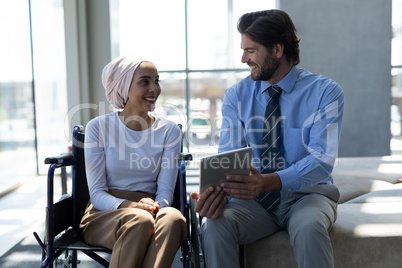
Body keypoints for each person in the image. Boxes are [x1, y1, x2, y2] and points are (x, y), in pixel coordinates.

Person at [190, 9, 344, 268]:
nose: (242, 59)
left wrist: (269, 182)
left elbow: (322, 160)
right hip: (256, 203)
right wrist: (215, 193)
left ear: (277, 50)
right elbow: (229, 157)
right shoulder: (236, 96)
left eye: (251, 51)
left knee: (309, 228)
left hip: (307, 196)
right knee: (215, 225)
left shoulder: (325, 93)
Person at [79, 55, 187, 268]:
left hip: (151, 208)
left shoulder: (169, 131)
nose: (154, 89)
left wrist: (155, 207)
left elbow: (165, 191)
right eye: (144, 82)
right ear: (123, 87)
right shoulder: (98, 127)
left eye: (157, 81)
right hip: (105, 213)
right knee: (140, 220)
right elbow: (98, 193)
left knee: (174, 218)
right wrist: (133, 206)